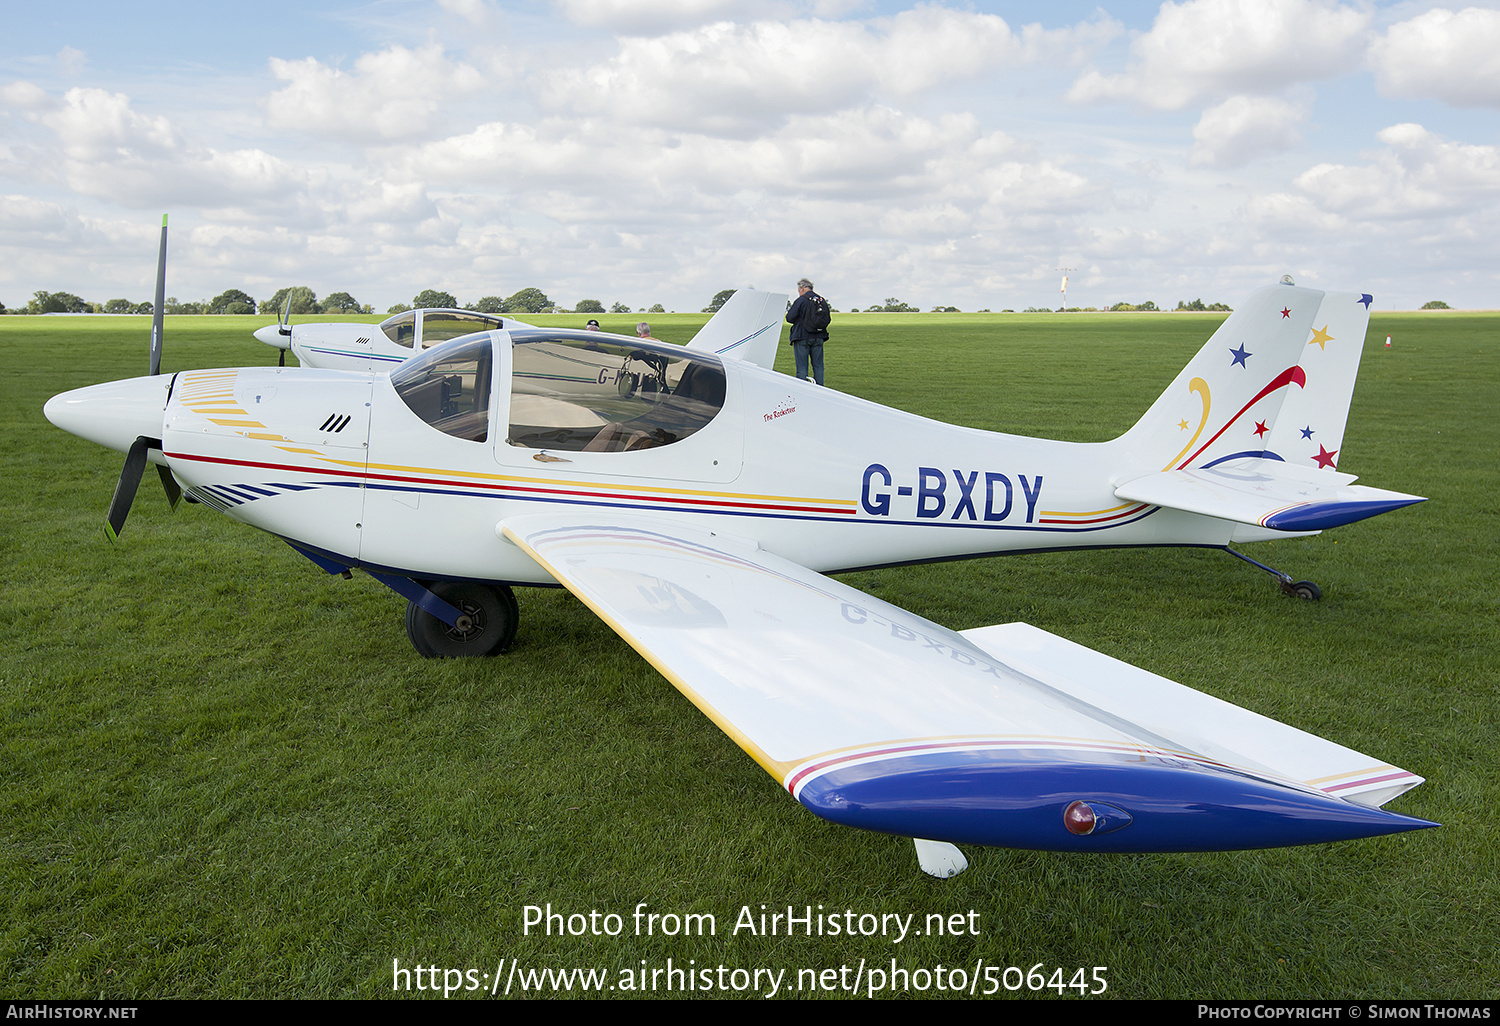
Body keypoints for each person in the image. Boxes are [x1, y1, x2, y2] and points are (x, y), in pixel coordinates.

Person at [785, 277, 830, 385]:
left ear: (802, 288)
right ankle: (820, 389)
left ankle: (802, 391)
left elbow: (789, 318)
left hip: (802, 337)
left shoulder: (801, 300)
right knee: (818, 367)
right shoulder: (821, 300)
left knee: (802, 368)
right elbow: (827, 318)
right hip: (819, 337)